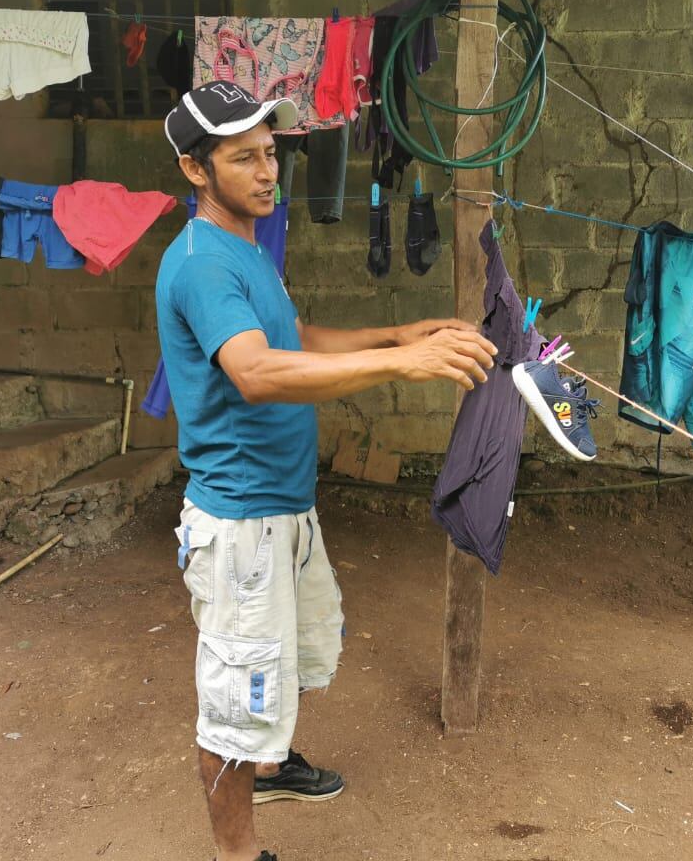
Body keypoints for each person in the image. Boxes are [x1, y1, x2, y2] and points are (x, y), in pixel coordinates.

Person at [156, 81, 497, 861]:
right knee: (232, 707)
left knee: (287, 659)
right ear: (195, 170)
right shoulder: (203, 264)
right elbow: (257, 372)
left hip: (282, 508)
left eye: (270, 154)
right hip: (241, 522)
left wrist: (392, 334)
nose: (267, 172)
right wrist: (405, 366)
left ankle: (269, 768)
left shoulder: (246, 249)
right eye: (242, 159)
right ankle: (238, 853)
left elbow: (293, 335)